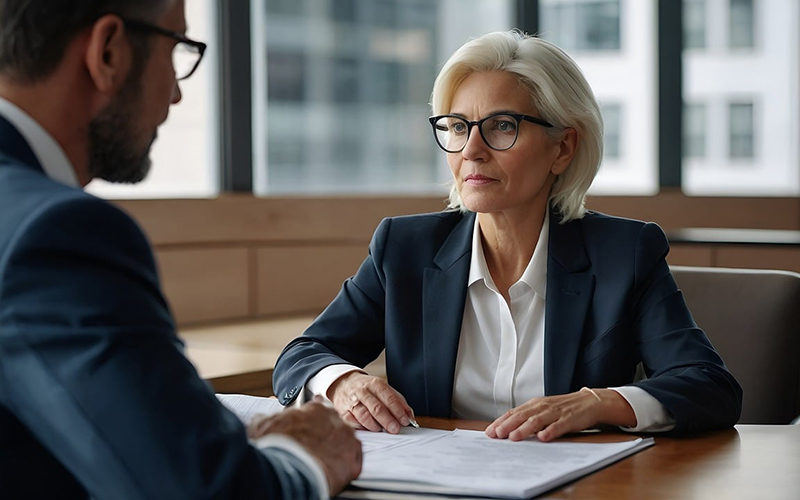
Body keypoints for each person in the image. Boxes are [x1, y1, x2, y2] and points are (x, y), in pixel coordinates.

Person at [273, 30, 743, 441]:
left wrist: (596, 403)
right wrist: (342, 382)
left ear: (563, 147)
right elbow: (302, 356)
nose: (471, 150)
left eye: (502, 126)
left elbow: (708, 385)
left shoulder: (624, 254)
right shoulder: (404, 248)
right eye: (457, 127)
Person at [0, 1, 361, 498]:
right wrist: (306, 458)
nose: (174, 94)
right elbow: (199, 490)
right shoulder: (54, 232)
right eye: (177, 50)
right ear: (108, 52)